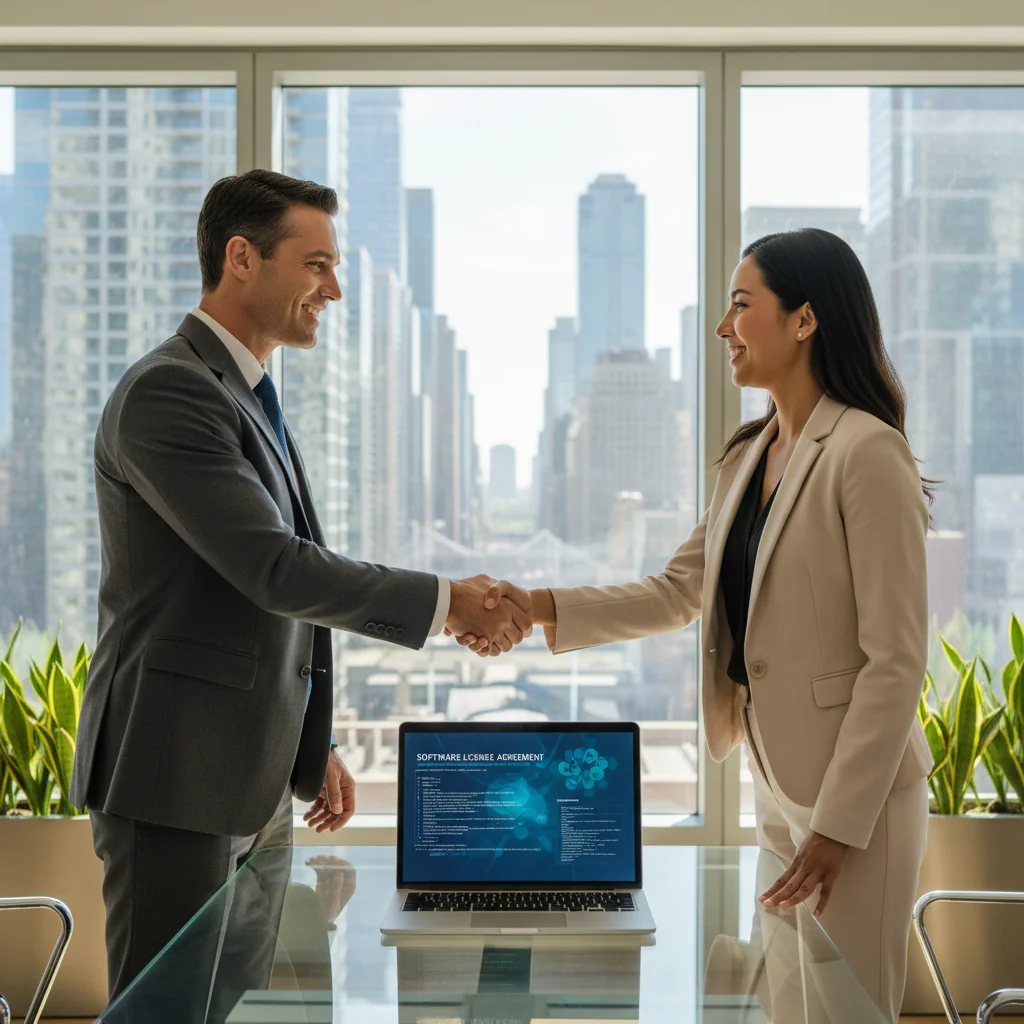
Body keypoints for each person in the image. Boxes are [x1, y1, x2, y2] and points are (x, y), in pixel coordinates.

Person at [70, 169, 531, 1001]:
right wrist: (448, 602)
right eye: (316, 265)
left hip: (252, 780)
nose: (334, 290)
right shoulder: (170, 391)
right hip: (175, 775)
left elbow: (265, 603)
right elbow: (275, 569)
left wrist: (310, 747)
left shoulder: (246, 395)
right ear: (241, 258)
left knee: (241, 1009)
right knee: (165, 1012)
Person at [453, 228, 932, 1022]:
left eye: (741, 305)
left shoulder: (866, 452)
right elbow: (678, 591)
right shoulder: (748, 456)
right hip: (778, 783)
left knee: (849, 1008)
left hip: (861, 802)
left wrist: (839, 827)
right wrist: (531, 604)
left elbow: (897, 659)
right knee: (788, 1005)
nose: (723, 327)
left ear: (805, 319)